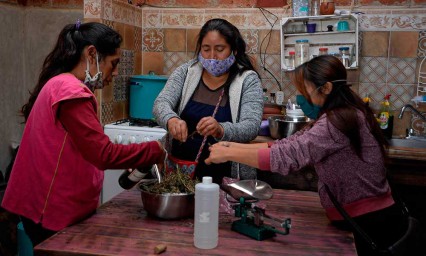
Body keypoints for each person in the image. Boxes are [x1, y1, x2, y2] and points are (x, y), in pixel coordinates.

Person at [205, 55, 410, 255]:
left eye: (305, 90)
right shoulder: (343, 113)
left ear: (327, 88)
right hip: (364, 216)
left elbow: (288, 155)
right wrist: (231, 147)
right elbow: (288, 144)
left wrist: (228, 154)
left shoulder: (337, 122)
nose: (301, 97)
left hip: (369, 222)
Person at [2, 21, 165, 247]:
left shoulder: (62, 84)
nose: (115, 72)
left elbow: (83, 147)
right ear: (91, 54)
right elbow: (101, 154)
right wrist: (152, 150)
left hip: (49, 206)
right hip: (50, 210)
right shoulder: (71, 92)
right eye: (113, 63)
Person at [153, 18, 263, 184]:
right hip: (179, 174)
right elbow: (161, 103)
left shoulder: (247, 79)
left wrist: (220, 129)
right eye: (206, 49)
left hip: (227, 179)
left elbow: (251, 126)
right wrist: (171, 119)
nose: (212, 57)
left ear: (234, 50)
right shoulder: (186, 72)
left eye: (220, 49)